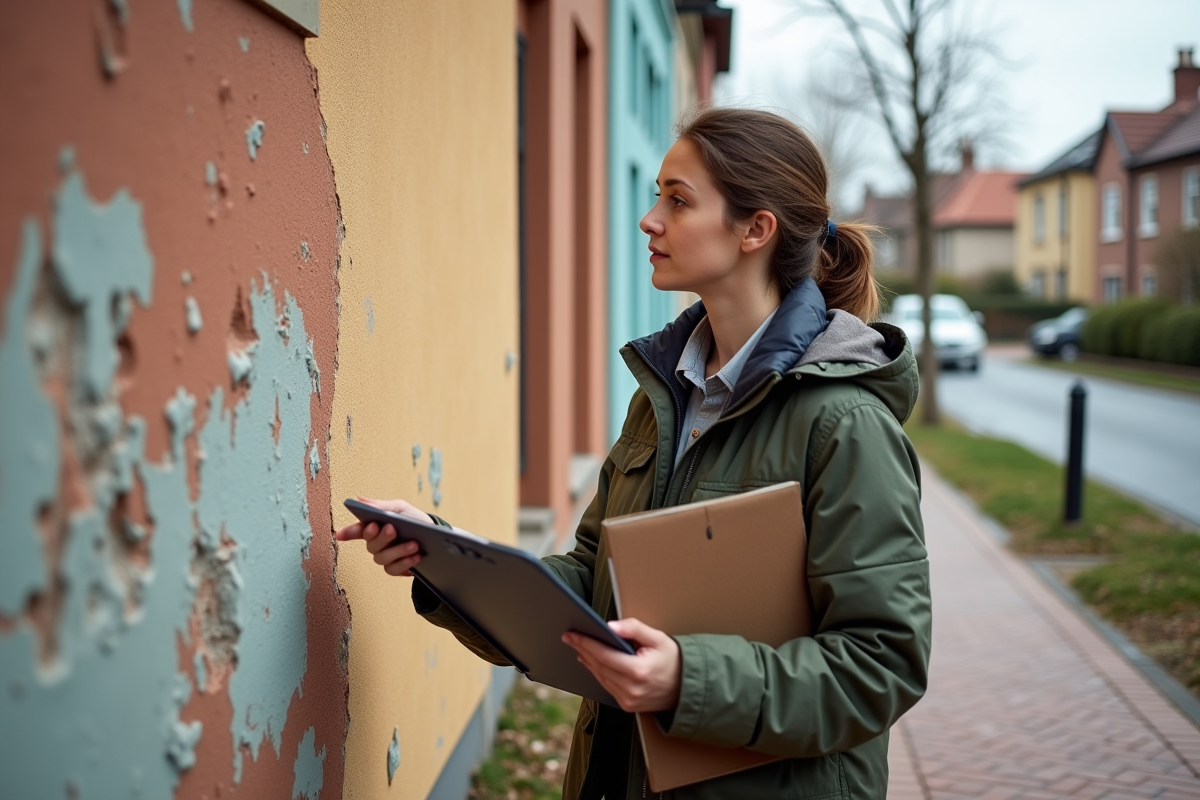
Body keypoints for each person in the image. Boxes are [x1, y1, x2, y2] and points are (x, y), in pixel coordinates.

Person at [336, 107, 931, 800]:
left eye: (678, 200)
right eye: (657, 197)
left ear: (755, 230)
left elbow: (882, 664)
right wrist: (447, 562)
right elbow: (596, 581)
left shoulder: (845, 425)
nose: (649, 220)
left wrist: (688, 681)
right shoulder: (664, 396)